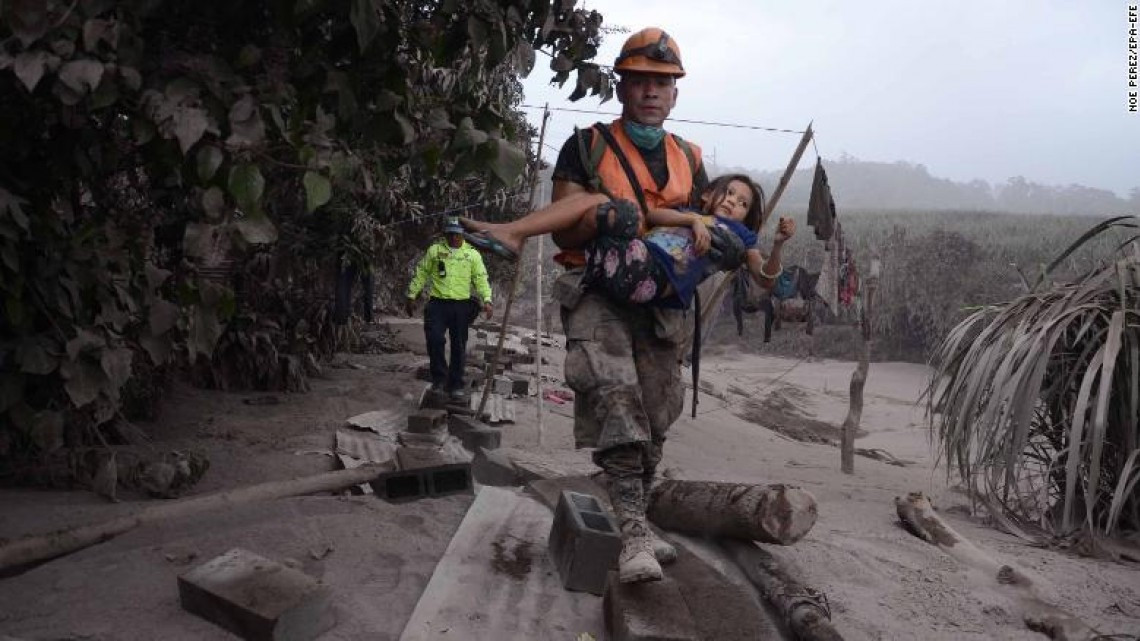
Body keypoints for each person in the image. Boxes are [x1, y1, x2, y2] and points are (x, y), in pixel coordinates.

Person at [535, 27, 792, 584]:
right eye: (641, 81)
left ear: (675, 95)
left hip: (664, 303)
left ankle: (639, 517)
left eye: (663, 83)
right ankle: (631, 533)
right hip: (597, 289)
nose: (652, 91)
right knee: (615, 400)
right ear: (621, 86)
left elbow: (713, 234)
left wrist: (727, 247)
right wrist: (605, 220)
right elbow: (562, 233)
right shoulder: (587, 145)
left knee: (656, 410)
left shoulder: (689, 159)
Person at [461, 174, 796, 309]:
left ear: (747, 216)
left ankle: (515, 232)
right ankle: (513, 231)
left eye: (743, 203)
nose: (734, 202)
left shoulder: (740, 236)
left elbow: (766, 279)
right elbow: (653, 216)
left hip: (652, 279)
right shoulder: (690, 214)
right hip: (629, 259)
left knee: (610, 208)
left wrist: (778, 244)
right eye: (730, 193)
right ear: (709, 194)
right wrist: (693, 219)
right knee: (602, 204)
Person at [405, 217, 493, 403]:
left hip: (461, 306)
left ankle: (456, 384)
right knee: (435, 340)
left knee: (458, 346)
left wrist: (487, 300)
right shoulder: (435, 251)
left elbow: (480, 278)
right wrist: (412, 295)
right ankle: (439, 379)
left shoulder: (472, 255)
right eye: (450, 234)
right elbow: (421, 273)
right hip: (437, 304)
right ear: (445, 234)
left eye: (457, 234)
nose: (453, 237)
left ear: (463, 235)